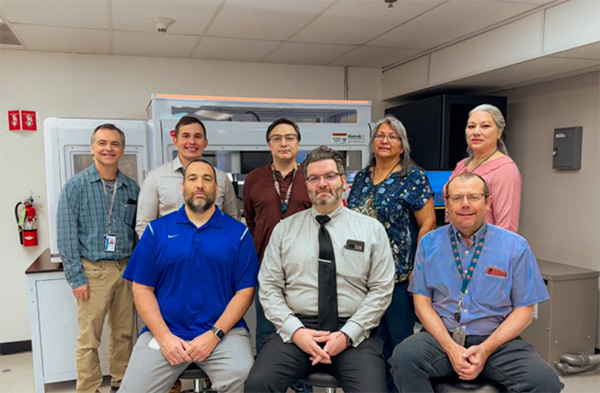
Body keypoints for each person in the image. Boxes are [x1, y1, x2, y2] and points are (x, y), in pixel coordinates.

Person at [389, 173, 563, 393]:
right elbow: (421, 304)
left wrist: (485, 349)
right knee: (404, 359)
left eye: (473, 197)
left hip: (497, 341)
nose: (465, 205)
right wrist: (451, 348)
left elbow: (524, 311)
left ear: (488, 202)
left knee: (545, 382)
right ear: (447, 204)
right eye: (456, 198)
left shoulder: (515, 247)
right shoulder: (429, 244)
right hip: (442, 337)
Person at [245, 146, 395, 393]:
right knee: (258, 384)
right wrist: (296, 332)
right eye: (314, 178)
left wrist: (347, 334)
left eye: (330, 176)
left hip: (353, 330)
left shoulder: (371, 229)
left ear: (343, 182)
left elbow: (381, 289)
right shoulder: (284, 230)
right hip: (297, 328)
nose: (322, 184)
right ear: (307, 185)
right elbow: (269, 287)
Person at [118, 159, 259, 393]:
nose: (200, 185)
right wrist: (164, 337)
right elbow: (141, 289)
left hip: (223, 334)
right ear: (182, 187)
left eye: (207, 179)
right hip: (166, 332)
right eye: (193, 179)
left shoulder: (239, 234)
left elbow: (245, 291)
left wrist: (214, 334)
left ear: (217, 188)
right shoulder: (157, 231)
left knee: (245, 380)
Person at [347, 116, 436, 391]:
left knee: (399, 341)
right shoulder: (361, 178)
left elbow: (428, 223)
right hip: (364, 276)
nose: (385, 141)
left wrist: (417, 271)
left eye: (392, 137)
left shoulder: (413, 178)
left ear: (402, 145)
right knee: (371, 341)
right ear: (372, 143)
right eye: (380, 136)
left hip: (399, 276)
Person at [57, 123, 140, 393]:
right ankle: (89, 388)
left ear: (122, 150)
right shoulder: (76, 187)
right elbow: (66, 234)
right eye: (102, 143)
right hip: (92, 272)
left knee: (124, 334)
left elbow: (137, 232)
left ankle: (121, 384)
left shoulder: (130, 188)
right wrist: (75, 277)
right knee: (89, 339)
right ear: (93, 148)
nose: (108, 148)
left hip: (125, 269)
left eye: (115, 144)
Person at [243, 118, 312, 353]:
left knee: (302, 325)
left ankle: (302, 384)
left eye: (289, 138)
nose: (284, 143)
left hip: (305, 267)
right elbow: (251, 220)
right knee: (266, 328)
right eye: (277, 138)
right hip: (266, 265)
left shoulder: (311, 176)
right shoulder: (254, 179)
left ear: (298, 143)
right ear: (269, 144)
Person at [136, 115, 239, 238]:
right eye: (186, 136)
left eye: (198, 136)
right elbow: (144, 226)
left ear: (205, 143)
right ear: (175, 141)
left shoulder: (221, 179)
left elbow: (233, 221)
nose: (192, 142)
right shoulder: (155, 178)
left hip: (213, 254)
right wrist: (162, 252)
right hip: (171, 255)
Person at [447, 104, 521, 232]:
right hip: (455, 245)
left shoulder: (505, 170)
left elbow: (507, 227)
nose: (476, 132)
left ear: (499, 132)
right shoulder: (461, 165)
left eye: (485, 126)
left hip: (484, 247)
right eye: (471, 126)